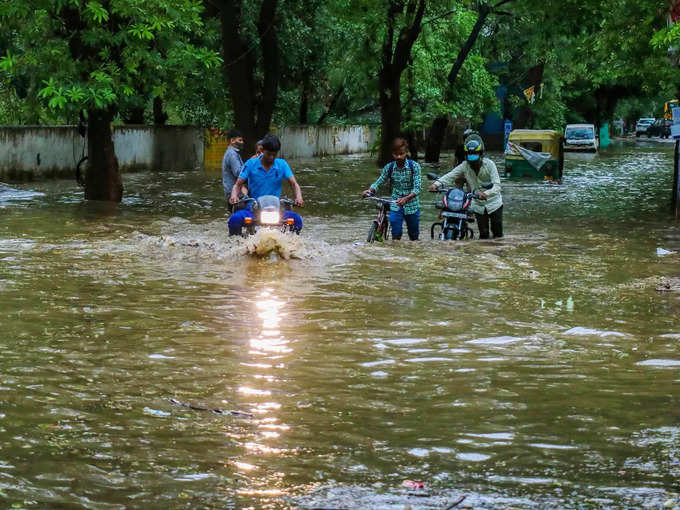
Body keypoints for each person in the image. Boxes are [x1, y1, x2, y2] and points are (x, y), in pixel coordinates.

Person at [428, 134, 503, 239]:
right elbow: (451, 175)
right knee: (484, 234)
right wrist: (436, 184)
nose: (472, 161)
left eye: (475, 155)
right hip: (478, 205)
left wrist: (486, 193)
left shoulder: (490, 165)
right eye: (469, 155)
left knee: (498, 234)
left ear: (480, 154)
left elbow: (497, 186)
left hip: (494, 203)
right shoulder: (465, 165)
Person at [228, 134, 304, 235]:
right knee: (234, 219)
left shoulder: (282, 164)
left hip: (276, 210)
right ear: (262, 150)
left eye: (274, 154)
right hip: (253, 209)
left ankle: (292, 244)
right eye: (268, 154)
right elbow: (237, 185)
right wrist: (234, 196)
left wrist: (299, 197)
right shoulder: (250, 164)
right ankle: (235, 243)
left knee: (297, 220)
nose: (271, 157)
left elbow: (294, 184)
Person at [362, 137, 422, 241]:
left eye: (401, 153)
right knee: (396, 234)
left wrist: (406, 198)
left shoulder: (414, 167)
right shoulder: (389, 168)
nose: (398, 156)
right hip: (396, 204)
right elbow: (379, 181)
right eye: (396, 154)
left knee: (414, 236)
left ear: (406, 152)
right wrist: (370, 190)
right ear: (392, 154)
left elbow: (417, 188)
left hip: (412, 205)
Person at [222, 129, 245, 200]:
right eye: (240, 140)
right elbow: (238, 173)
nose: (242, 142)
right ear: (232, 141)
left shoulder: (231, 153)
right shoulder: (232, 154)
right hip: (234, 194)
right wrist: (250, 165)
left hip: (232, 192)